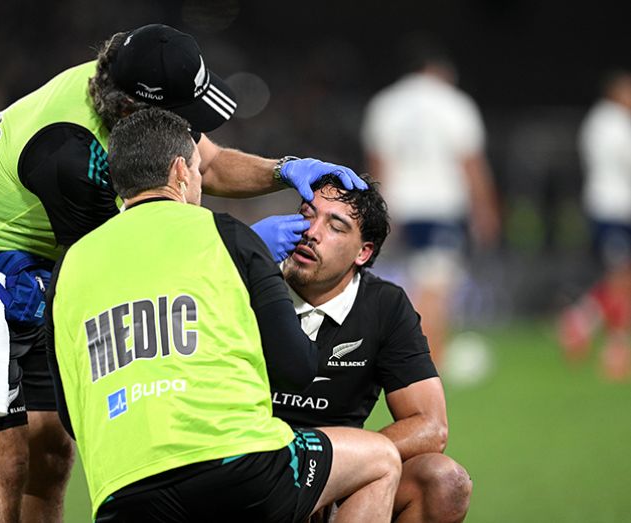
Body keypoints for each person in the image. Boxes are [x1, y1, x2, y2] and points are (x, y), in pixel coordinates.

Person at [0, 23, 368, 523]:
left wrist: (286, 169)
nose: (194, 131)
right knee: (6, 461)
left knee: (52, 455)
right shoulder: (69, 156)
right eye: (185, 118)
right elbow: (129, 258)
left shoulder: (128, 74)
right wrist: (244, 246)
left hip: (30, 268)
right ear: (137, 112)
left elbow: (203, 167)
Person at [48, 107, 401, 522]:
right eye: (200, 170)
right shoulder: (227, 235)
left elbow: (71, 417)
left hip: (121, 493)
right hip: (237, 470)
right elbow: (297, 366)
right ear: (181, 172)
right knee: (380, 460)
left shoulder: (68, 267)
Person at [252, 174, 472, 522]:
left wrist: (332, 468)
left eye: (335, 226)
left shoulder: (384, 306)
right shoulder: (247, 284)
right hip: (249, 468)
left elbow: (431, 426)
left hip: (336, 472)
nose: (311, 232)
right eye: (307, 215)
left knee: (444, 482)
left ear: (363, 252)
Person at [359, 38, 500, 366]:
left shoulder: (385, 104)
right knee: (436, 284)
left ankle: (401, 353)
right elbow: (471, 163)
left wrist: (375, 210)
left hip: (396, 204)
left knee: (403, 282)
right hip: (439, 206)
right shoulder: (454, 103)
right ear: (439, 70)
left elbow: (377, 163)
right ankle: (426, 358)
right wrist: (486, 209)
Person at [558, 69, 631, 381]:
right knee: (619, 278)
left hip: (609, 207)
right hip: (613, 208)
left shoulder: (599, 121)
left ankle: (581, 318)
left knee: (620, 277)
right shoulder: (612, 123)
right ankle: (615, 348)